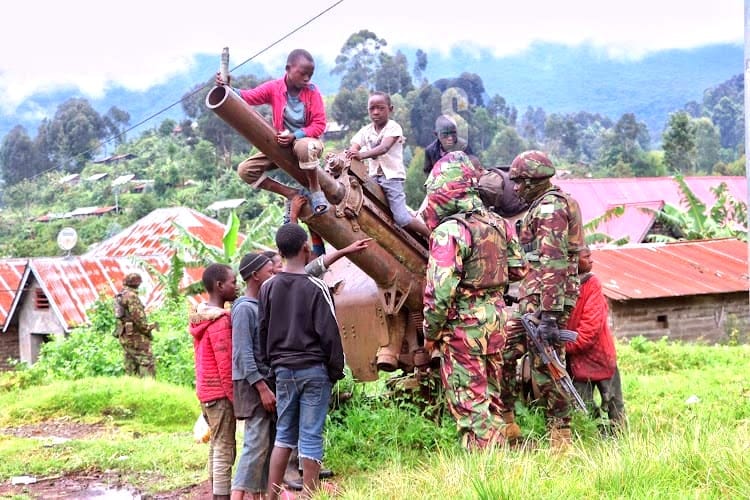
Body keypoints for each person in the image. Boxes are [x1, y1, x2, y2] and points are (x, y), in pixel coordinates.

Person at [421, 151, 526, 450]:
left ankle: (487, 476)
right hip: (496, 320)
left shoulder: (450, 231)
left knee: (471, 406)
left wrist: (431, 333)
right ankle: (503, 464)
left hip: (463, 329)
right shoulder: (497, 223)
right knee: (491, 398)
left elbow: (440, 293)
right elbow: (519, 268)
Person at [500, 150, 584, 450]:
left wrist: (549, 315)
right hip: (533, 297)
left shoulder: (550, 209)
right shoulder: (544, 205)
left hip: (546, 301)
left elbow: (554, 263)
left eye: (521, 183)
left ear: (536, 180)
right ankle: (508, 426)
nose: (517, 189)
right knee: (507, 353)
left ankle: (561, 437)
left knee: (546, 365)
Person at [258, 223, 344, 499]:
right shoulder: (316, 286)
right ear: (306, 248)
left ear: (279, 252)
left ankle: (271, 496)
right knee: (310, 434)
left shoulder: (268, 287)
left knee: (284, 434)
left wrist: (271, 368)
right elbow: (330, 334)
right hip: (314, 370)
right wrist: (335, 371)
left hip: (283, 370)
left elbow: (262, 330)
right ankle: (310, 495)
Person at [216, 48, 329, 215]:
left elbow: (319, 125)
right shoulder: (274, 88)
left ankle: (315, 188)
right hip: (283, 145)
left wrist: (295, 136)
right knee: (245, 170)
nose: (306, 78)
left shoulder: (312, 92)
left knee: (303, 147)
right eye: (302, 73)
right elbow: (248, 97)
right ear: (288, 68)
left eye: (310, 75)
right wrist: (228, 87)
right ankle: (290, 193)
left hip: (307, 144)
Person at [346, 92, 430, 238]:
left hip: (392, 178)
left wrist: (361, 155)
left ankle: (431, 236)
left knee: (401, 219)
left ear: (390, 109)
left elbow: (384, 148)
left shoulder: (394, 128)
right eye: (372, 108)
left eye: (380, 108)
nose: (376, 112)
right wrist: (350, 154)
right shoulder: (366, 131)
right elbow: (355, 145)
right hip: (372, 177)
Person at [189, 264, 239, 500]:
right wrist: (234, 398)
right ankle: (222, 495)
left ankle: (216, 492)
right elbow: (225, 364)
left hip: (206, 392)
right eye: (233, 281)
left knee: (217, 444)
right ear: (219, 286)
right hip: (219, 393)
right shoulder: (219, 322)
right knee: (225, 448)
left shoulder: (202, 316)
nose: (236, 286)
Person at [565, 247, 626, 432]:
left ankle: (621, 442)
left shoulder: (592, 285)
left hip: (599, 355)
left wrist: (564, 346)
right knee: (584, 408)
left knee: (614, 404)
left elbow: (590, 329)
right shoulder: (563, 287)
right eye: (586, 257)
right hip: (577, 358)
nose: (591, 261)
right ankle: (593, 442)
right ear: (573, 261)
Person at [231, 253, 276, 500]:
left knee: (266, 444)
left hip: (263, 381)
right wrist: (262, 388)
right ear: (255, 275)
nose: (273, 274)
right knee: (255, 444)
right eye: (269, 271)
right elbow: (242, 353)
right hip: (252, 384)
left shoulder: (259, 305)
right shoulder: (244, 309)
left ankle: (258, 495)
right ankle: (237, 495)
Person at [113, 273, 156, 377]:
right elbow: (138, 318)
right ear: (138, 284)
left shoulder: (120, 296)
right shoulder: (132, 296)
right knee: (146, 361)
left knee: (131, 364)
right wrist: (148, 329)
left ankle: (132, 387)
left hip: (124, 335)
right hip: (135, 336)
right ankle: (149, 388)